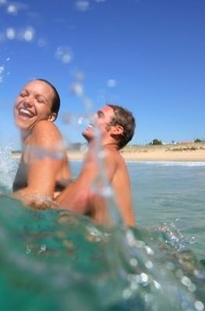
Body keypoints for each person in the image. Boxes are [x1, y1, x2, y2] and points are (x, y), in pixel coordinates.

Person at [57, 104, 136, 226]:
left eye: (100, 115)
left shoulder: (105, 153)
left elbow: (82, 197)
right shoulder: (111, 156)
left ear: (116, 130)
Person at [11, 79, 71, 209]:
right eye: (23, 94)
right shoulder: (31, 142)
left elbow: (39, 197)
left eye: (39, 100)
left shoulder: (44, 128)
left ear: (50, 117)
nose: (27, 101)